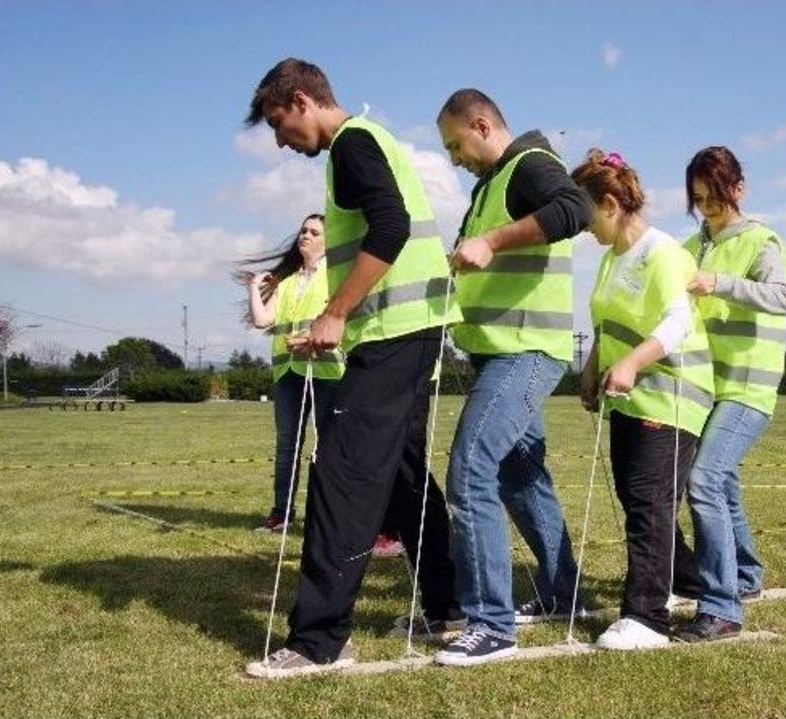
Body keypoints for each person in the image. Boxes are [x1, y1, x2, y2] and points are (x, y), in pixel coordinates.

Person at [242, 58, 462, 678]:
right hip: (407, 332)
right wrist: (337, 323)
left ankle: (318, 641)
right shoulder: (372, 140)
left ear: (304, 101)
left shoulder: (352, 145)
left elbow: (389, 229)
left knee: (339, 475)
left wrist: (335, 313)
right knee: (402, 474)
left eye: (281, 125)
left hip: (396, 335)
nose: (283, 142)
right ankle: (449, 607)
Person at [432, 88, 592, 666]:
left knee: (471, 468)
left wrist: (491, 240)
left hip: (525, 352)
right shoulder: (487, 188)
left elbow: (575, 211)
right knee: (522, 478)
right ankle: (564, 593)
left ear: (481, 124)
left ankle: (490, 624)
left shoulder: (531, 164)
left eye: (455, 144)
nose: (453, 158)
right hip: (499, 351)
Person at [572, 150, 715, 650]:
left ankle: (647, 617)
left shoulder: (664, 253)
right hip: (629, 401)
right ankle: (688, 583)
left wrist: (632, 363)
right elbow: (606, 325)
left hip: (672, 396)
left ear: (610, 204)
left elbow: (676, 322)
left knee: (650, 502)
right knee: (637, 499)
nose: (581, 227)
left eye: (584, 214)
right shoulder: (611, 261)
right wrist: (592, 369)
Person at [677, 146, 786, 642]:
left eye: (715, 199)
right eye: (699, 200)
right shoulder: (688, 246)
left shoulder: (763, 241)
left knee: (703, 481)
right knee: (721, 485)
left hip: (749, 384)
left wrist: (721, 283)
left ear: (738, 190)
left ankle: (721, 607)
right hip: (707, 385)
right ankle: (744, 577)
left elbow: (781, 296)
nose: (707, 209)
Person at [242, 214, 343, 532]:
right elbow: (262, 321)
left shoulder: (336, 274)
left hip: (326, 371)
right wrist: (255, 289)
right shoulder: (285, 281)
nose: (306, 235)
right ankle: (281, 514)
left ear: (328, 240)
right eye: (303, 230)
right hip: (287, 371)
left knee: (328, 445)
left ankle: (328, 516)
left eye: (314, 232)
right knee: (287, 444)